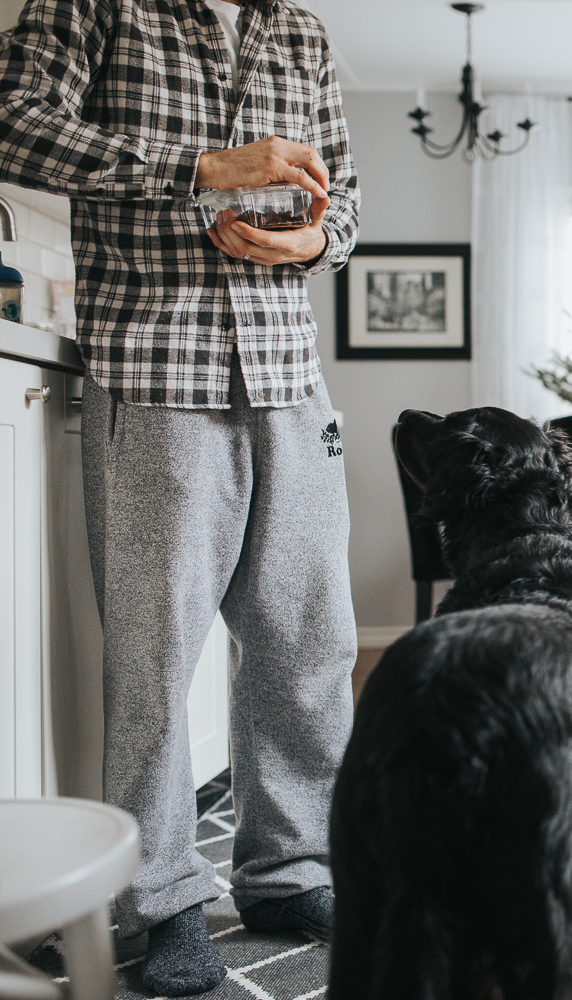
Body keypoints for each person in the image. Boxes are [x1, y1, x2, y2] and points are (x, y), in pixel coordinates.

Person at [0, 0, 359, 995]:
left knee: (311, 646)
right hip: (155, 373)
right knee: (154, 662)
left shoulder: (303, 31)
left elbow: (350, 200)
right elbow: (14, 117)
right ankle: (159, 903)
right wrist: (204, 169)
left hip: (291, 377)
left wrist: (313, 249)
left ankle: (290, 872)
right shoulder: (94, 4)